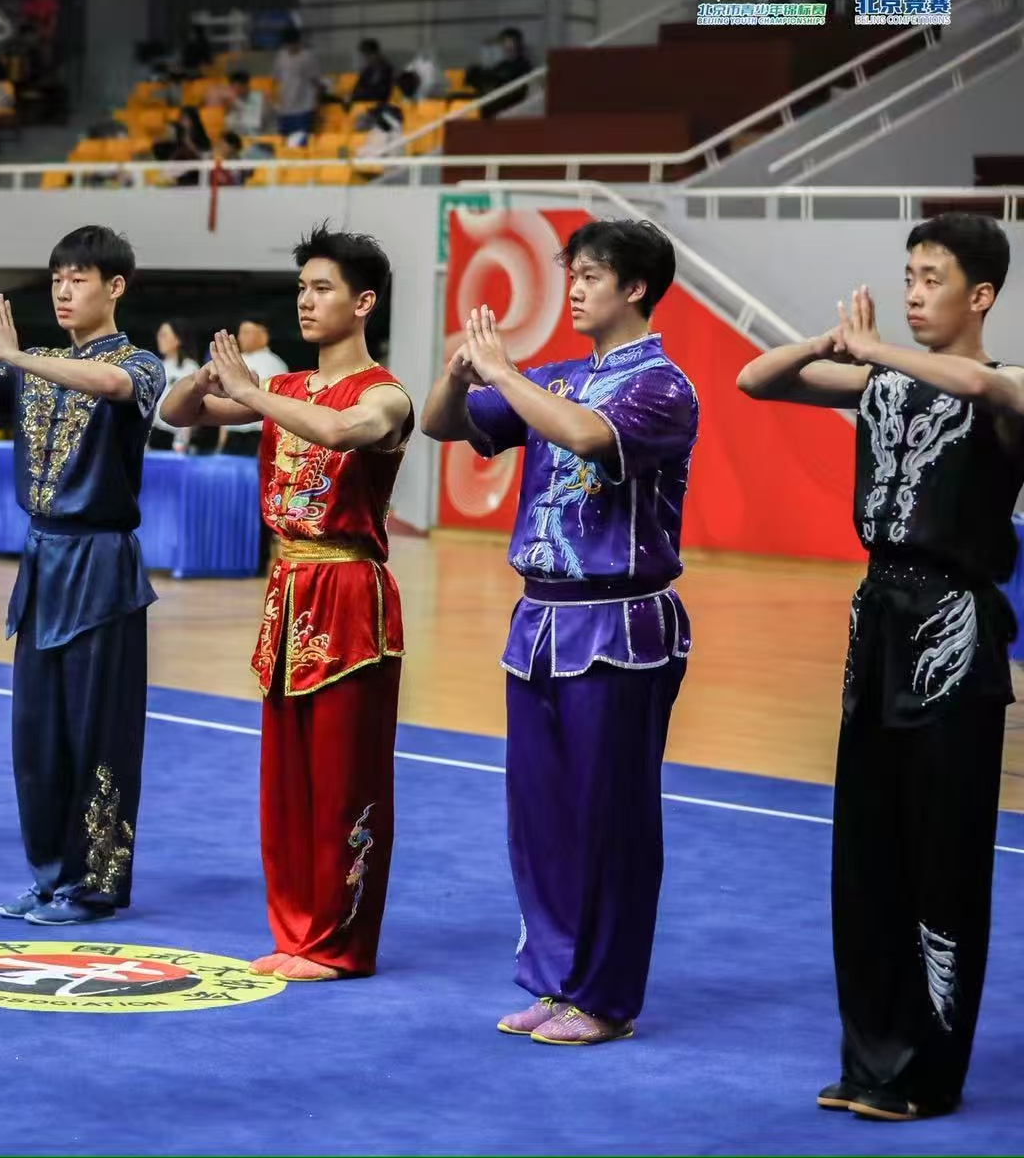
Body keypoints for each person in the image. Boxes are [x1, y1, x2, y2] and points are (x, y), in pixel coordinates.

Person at [735, 213, 1017, 1121]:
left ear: (981, 295)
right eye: (906, 274)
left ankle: (927, 1072)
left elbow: (976, 379)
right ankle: (869, 1059)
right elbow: (755, 380)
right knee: (865, 855)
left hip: (954, 634)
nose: (911, 291)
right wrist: (832, 343)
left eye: (931, 277)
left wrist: (877, 352)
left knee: (943, 858)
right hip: (878, 625)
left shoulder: (1002, 386)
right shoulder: (883, 384)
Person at [421, 218, 697, 1046]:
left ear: (635, 287)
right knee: (538, 815)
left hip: (618, 620)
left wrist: (507, 373)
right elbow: (444, 426)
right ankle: (555, 978)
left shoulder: (664, 385)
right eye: (569, 274)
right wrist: (458, 373)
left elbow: (586, 437)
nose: (572, 289)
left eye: (590, 275)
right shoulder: (559, 374)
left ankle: (606, 996)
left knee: (608, 815)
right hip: (539, 618)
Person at [161, 224, 413, 981]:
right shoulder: (288, 388)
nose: (306, 301)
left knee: (344, 781)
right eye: (301, 287)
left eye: (323, 287)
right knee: (286, 781)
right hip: (288, 592)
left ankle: (339, 944)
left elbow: (342, 432)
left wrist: (251, 393)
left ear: (363, 302)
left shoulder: (385, 394)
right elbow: (177, 413)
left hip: (348, 593)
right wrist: (212, 380)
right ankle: (294, 929)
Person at [0, 227, 166, 925]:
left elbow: (113, 384)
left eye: (80, 278)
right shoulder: (34, 363)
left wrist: (20, 357)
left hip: (101, 564)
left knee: (100, 732)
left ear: (115, 287)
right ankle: (48, 873)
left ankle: (93, 885)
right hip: (41, 562)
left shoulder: (141, 362)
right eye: (57, 278)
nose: (64, 290)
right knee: (35, 731)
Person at [217, 319, 289, 456]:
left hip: (258, 436)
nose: (240, 337)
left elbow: (277, 407)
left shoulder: (275, 364)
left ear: (263, 335)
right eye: (240, 332)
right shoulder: (234, 360)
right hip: (232, 434)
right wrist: (222, 440)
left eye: (246, 332)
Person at [148, 320, 199, 451]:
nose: (159, 339)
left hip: (175, 436)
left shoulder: (190, 368)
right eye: (159, 335)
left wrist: (182, 440)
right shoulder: (156, 366)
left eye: (164, 335)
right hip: (153, 433)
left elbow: (190, 406)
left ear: (178, 339)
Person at [272, 26, 322, 139]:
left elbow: (316, 83)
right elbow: (275, 80)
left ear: (299, 42)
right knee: (284, 145)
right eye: (288, 45)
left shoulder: (308, 57)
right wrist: (276, 102)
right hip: (285, 110)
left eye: (293, 44)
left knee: (300, 144)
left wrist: (316, 105)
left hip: (303, 109)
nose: (291, 48)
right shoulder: (281, 56)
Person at [349, 38, 395, 108]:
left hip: (377, 107)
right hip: (365, 106)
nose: (365, 58)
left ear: (374, 53)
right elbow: (357, 89)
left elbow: (380, 93)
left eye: (366, 55)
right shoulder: (368, 70)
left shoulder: (384, 69)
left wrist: (357, 96)